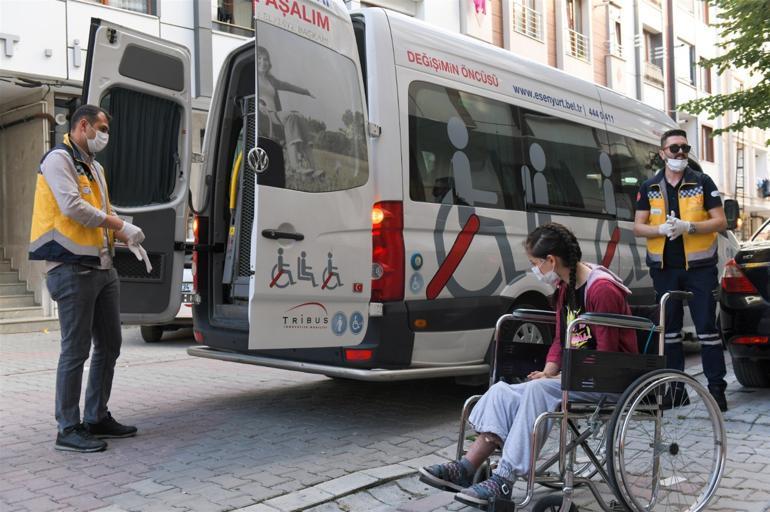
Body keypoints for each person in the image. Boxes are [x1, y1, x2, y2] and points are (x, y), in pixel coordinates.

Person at [418, 223, 637, 508]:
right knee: (502, 391)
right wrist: (549, 371)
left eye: (535, 263)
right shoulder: (566, 288)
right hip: (578, 376)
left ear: (551, 261)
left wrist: (557, 379)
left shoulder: (601, 290)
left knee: (538, 392)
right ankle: (466, 468)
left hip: (609, 379)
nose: (534, 269)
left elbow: (608, 353)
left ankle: (505, 478)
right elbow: (561, 336)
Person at [29, 105, 151, 452]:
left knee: (110, 344)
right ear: (83, 126)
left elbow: (104, 211)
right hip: (69, 267)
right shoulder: (58, 160)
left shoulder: (94, 168)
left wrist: (125, 233)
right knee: (75, 350)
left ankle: (96, 416)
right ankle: (68, 428)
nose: (104, 135)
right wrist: (118, 225)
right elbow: (72, 207)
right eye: (100, 127)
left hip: (101, 267)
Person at [633, 128, 728, 412]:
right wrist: (659, 229)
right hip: (665, 268)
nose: (680, 154)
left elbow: (721, 222)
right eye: (674, 149)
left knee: (707, 331)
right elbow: (637, 226)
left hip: (700, 267)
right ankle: (676, 392)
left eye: (685, 149)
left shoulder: (702, 181)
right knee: (670, 332)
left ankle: (716, 392)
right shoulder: (649, 187)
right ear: (663, 153)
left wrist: (691, 227)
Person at [257, 45, 319, 176]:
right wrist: (257, 103)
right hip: (265, 117)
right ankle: (296, 167)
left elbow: (287, 86)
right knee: (291, 116)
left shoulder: (271, 80)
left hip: (276, 115)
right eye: (259, 58)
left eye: (266, 59)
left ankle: (314, 168)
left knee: (299, 117)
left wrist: (306, 91)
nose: (263, 62)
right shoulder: (253, 78)